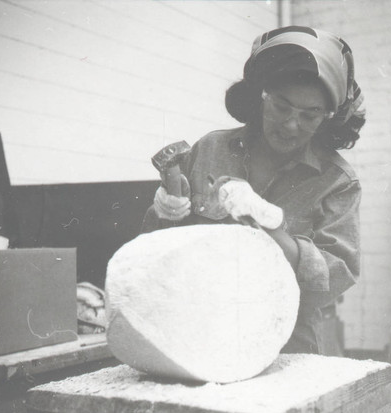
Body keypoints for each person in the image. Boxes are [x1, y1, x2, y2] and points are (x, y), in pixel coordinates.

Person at [142, 26, 366, 356]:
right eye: (281, 106)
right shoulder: (210, 149)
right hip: (200, 329)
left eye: (310, 115)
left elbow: (334, 278)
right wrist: (162, 213)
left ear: (328, 117)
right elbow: (154, 250)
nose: (291, 125)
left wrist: (269, 226)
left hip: (287, 343)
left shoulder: (338, 182)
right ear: (261, 96)